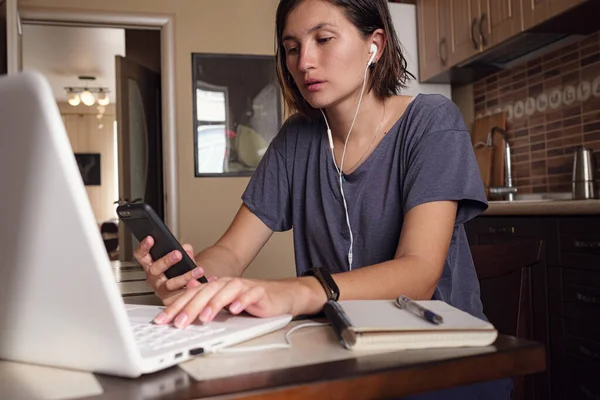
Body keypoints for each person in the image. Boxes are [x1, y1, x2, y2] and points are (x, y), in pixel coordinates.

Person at [134, 0, 513, 398]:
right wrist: (192, 281)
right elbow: (231, 251)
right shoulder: (295, 140)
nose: (304, 62)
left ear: (375, 45)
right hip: (340, 355)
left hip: (442, 362)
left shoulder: (432, 122)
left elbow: (417, 273)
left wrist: (299, 291)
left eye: (324, 38)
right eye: (292, 47)